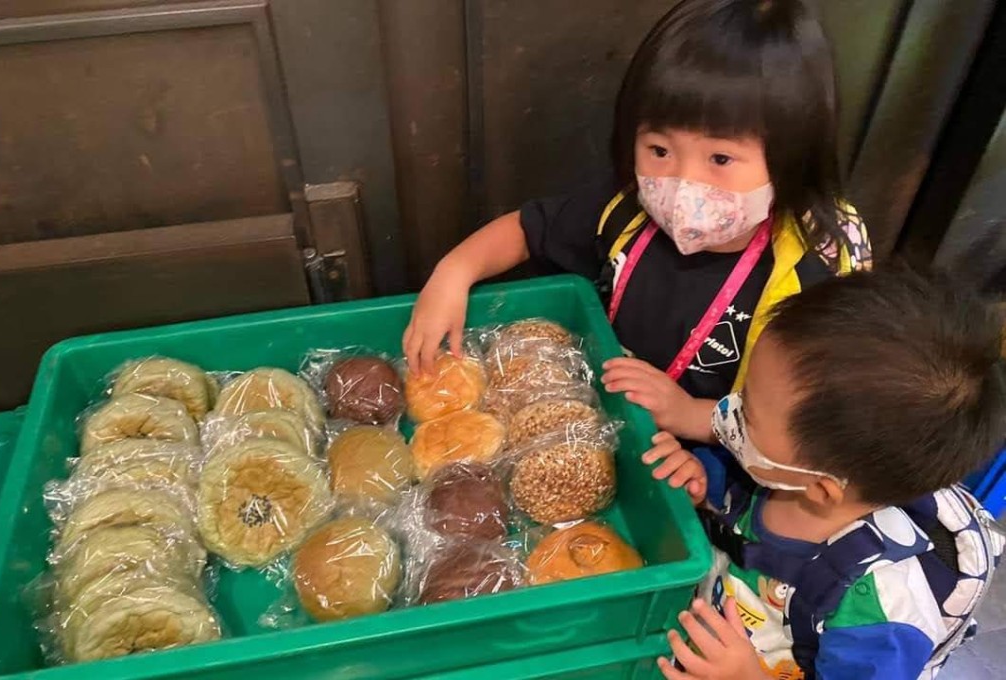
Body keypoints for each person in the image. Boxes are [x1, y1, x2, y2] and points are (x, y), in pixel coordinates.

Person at [403, 0, 872, 450]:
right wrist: (454, 270)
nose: (683, 184)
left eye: (721, 158)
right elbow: (527, 230)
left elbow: (808, 427)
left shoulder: (814, 273)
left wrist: (693, 415)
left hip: (714, 457)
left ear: (794, 158)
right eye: (659, 150)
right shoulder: (625, 206)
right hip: (600, 419)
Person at [645, 268, 1006, 680]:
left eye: (747, 412)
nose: (728, 411)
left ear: (820, 488)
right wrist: (700, 488)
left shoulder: (879, 614)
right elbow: (728, 505)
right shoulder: (767, 473)